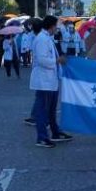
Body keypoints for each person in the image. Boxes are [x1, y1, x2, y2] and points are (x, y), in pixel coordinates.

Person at [30, 16, 73, 148]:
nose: (57, 29)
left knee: (51, 109)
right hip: (44, 81)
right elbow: (42, 60)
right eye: (56, 26)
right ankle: (42, 137)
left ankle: (55, 132)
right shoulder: (41, 39)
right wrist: (57, 61)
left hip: (51, 80)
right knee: (42, 110)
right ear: (51, 26)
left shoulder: (47, 38)